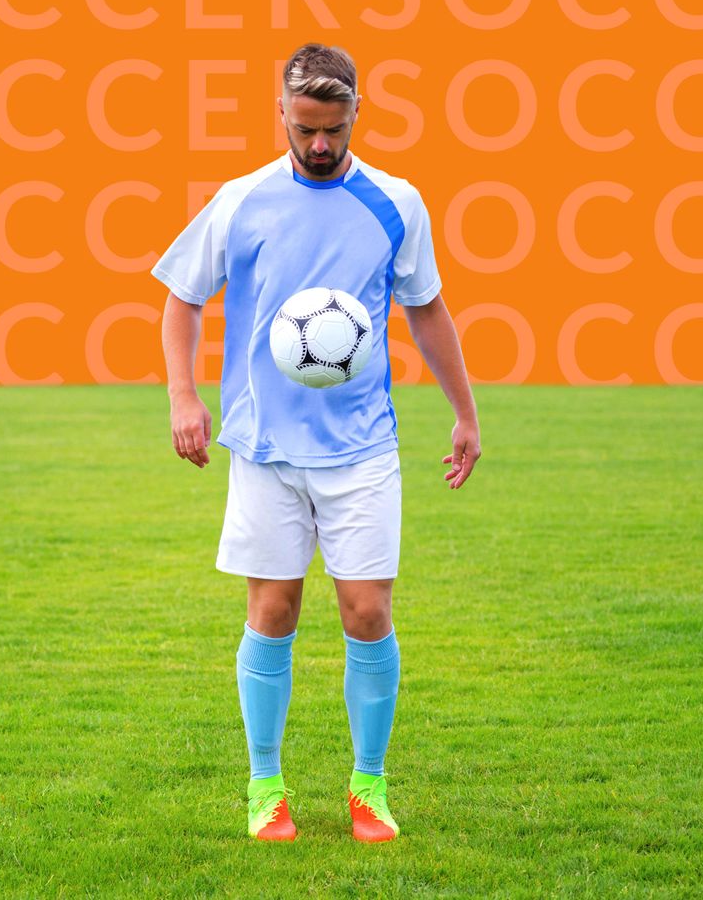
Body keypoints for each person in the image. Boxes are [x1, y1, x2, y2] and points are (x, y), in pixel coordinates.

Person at [151, 42, 481, 843]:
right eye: (305, 129)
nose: (320, 145)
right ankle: (267, 787)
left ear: (357, 114)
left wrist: (466, 413)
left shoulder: (397, 203)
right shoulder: (241, 201)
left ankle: (368, 787)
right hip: (265, 449)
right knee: (272, 609)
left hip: (363, 449)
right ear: (282, 116)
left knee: (368, 612)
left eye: (333, 129)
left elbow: (428, 308)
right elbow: (182, 299)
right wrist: (184, 396)